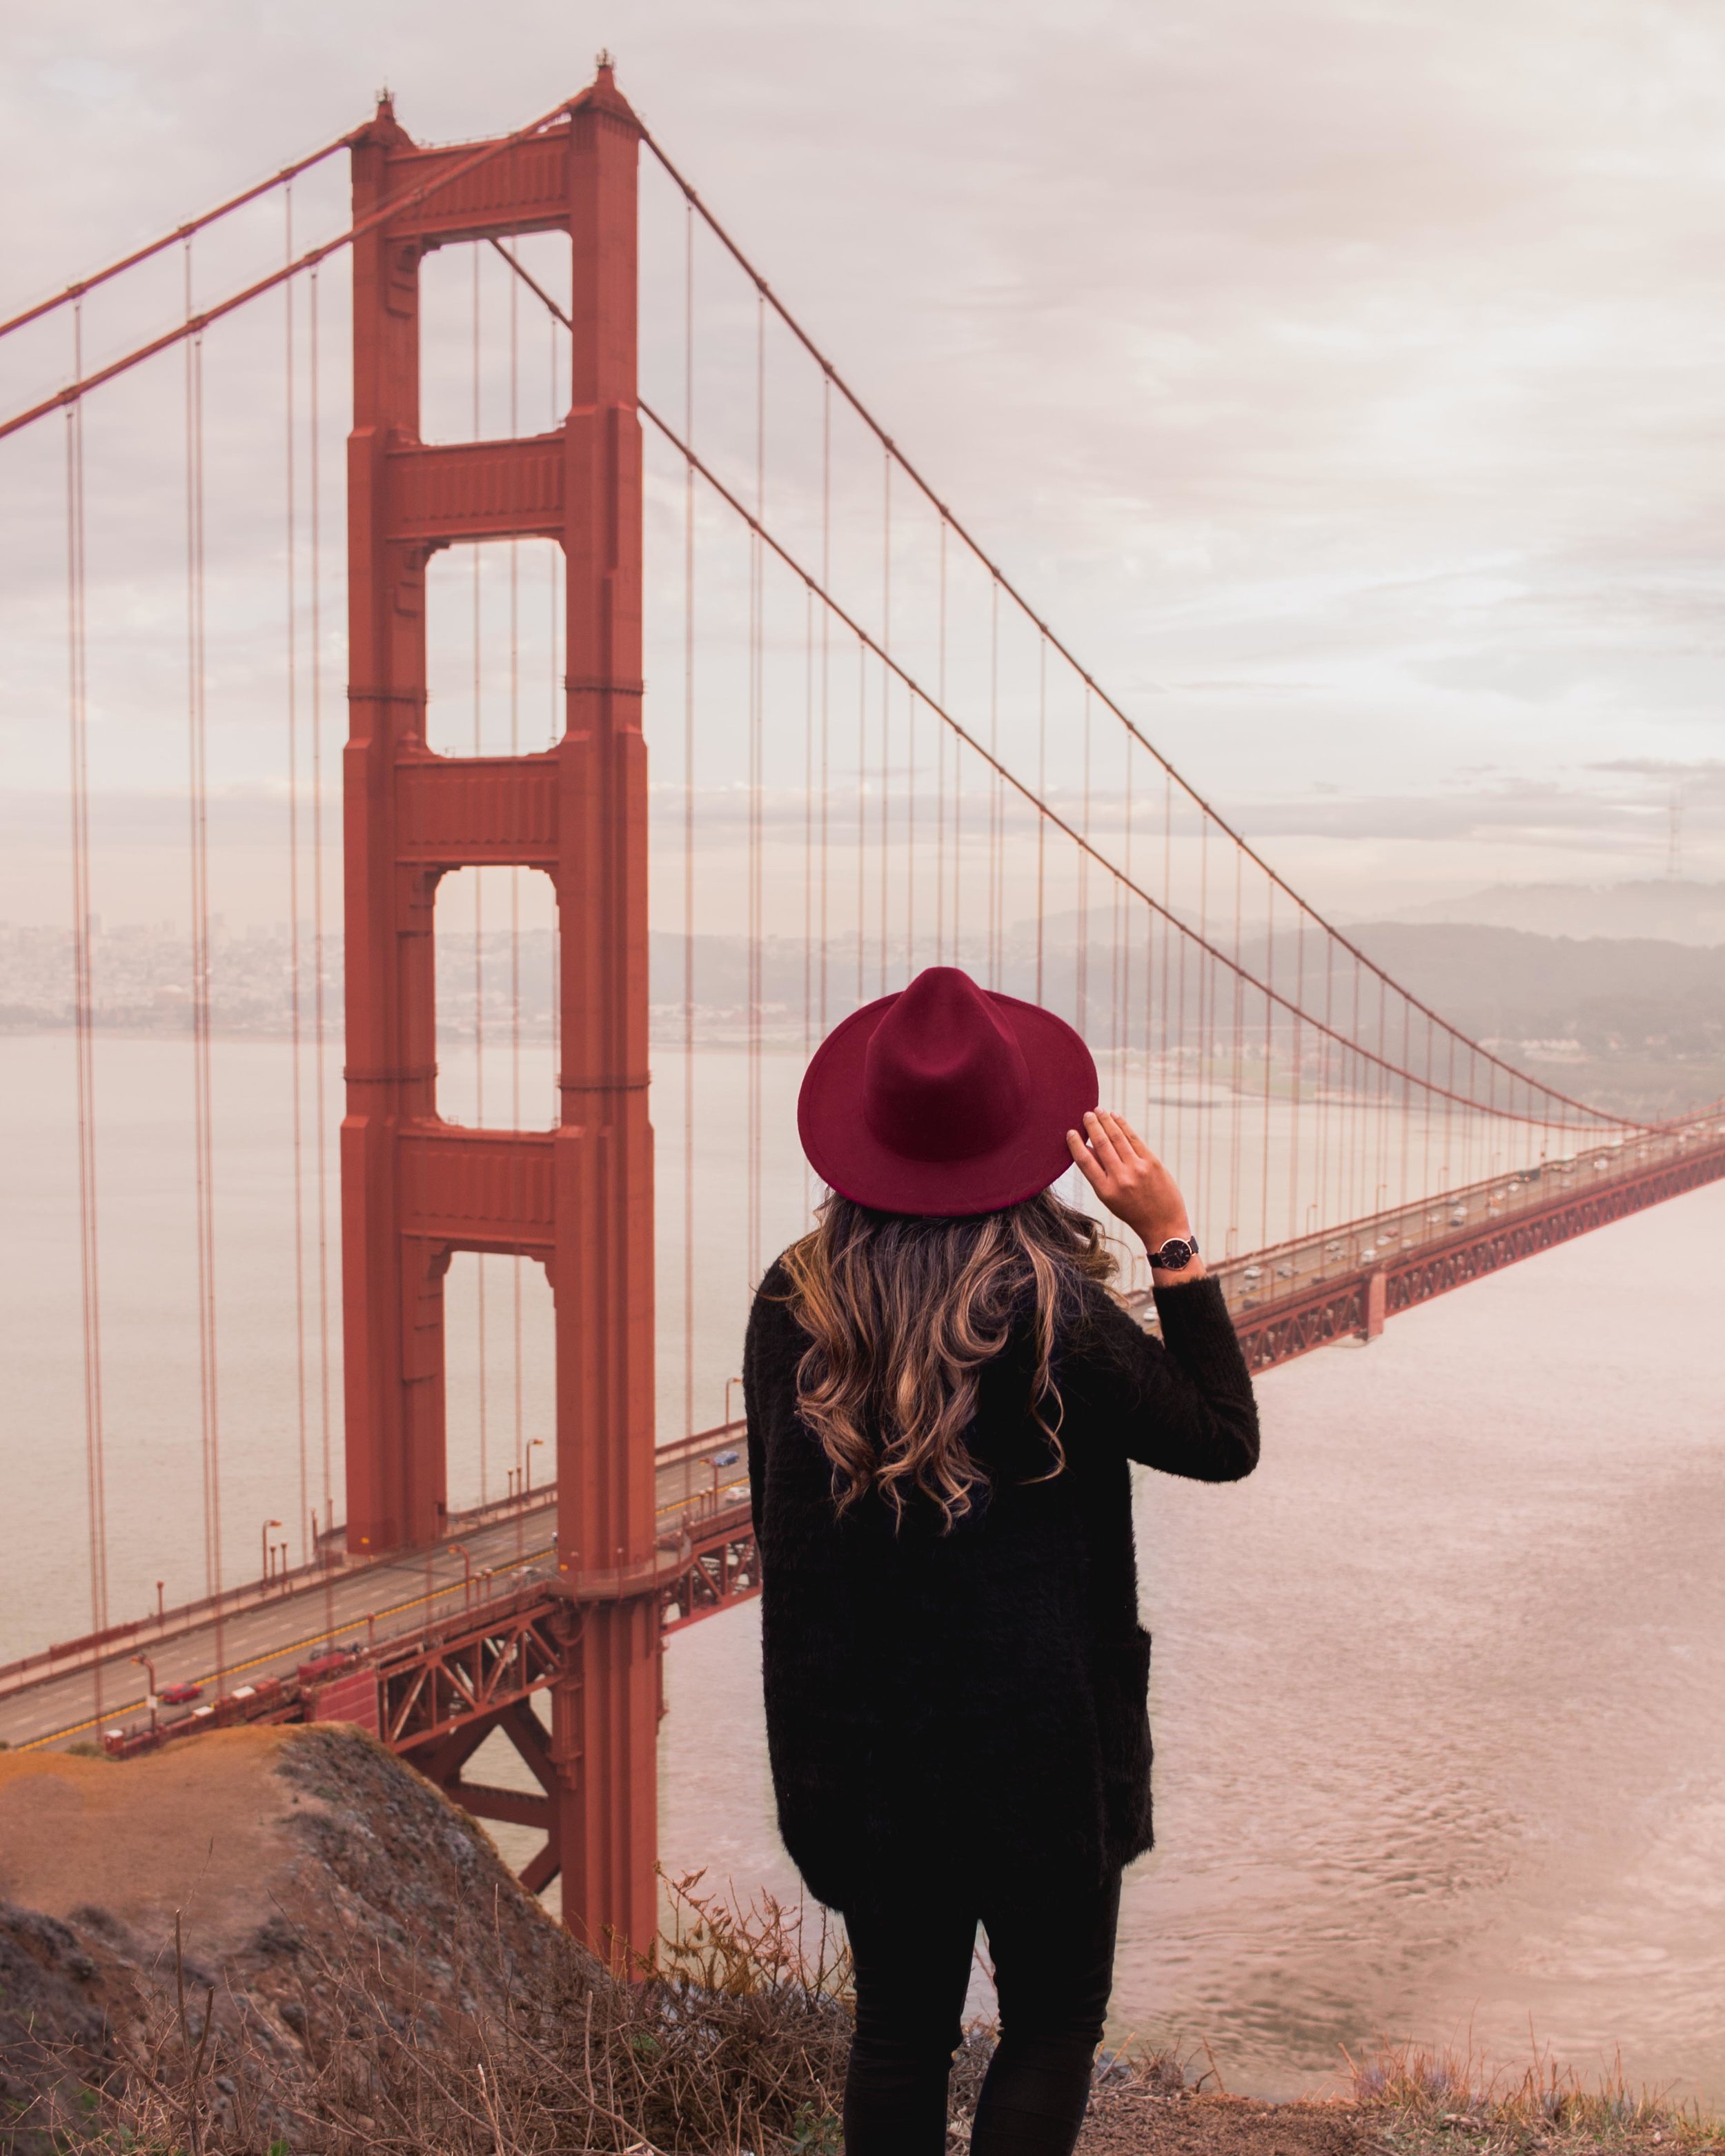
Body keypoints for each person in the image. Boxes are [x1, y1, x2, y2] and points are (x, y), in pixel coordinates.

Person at [743, 964, 1260, 2156]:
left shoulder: (793, 1302)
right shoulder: (1053, 1311)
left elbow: (780, 1520)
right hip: (1042, 1749)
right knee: (1051, 2022)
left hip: (866, 1745)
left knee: (899, 2032)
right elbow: (1224, 1437)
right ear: (1021, 1140)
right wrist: (1168, 1235)